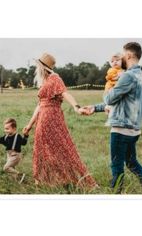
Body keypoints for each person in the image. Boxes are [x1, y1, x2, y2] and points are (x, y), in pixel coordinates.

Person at [23, 53, 97, 188]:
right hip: (42, 118)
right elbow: (40, 105)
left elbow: (65, 93)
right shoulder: (45, 81)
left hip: (52, 117)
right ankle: (42, 179)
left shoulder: (54, 78)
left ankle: (68, 178)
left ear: (42, 67)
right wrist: (29, 125)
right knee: (41, 148)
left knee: (61, 148)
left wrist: (76, 107)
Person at [81, 42, 142, 193]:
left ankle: (116, 195)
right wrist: (94, 108)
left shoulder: (127, 76)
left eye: (123, 54)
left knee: (116, 166)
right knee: (131, 163)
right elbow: (121, 102)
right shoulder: (140, 75)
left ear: (128, 55)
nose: (121, 57)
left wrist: (110, 85)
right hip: (133, 130)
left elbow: (109, 99)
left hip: (121, 129)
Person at [0, 118, 28, 184]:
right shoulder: (6, 137)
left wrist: (25, 135)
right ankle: (17, 180)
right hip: (9, 155)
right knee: (11, 168)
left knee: (6, 168)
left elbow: (24, 143)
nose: (5, 130)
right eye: (5, 128)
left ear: (14, 128)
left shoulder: (17, 136)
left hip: (15, 155)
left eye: (7, 129)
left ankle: (20, 175)